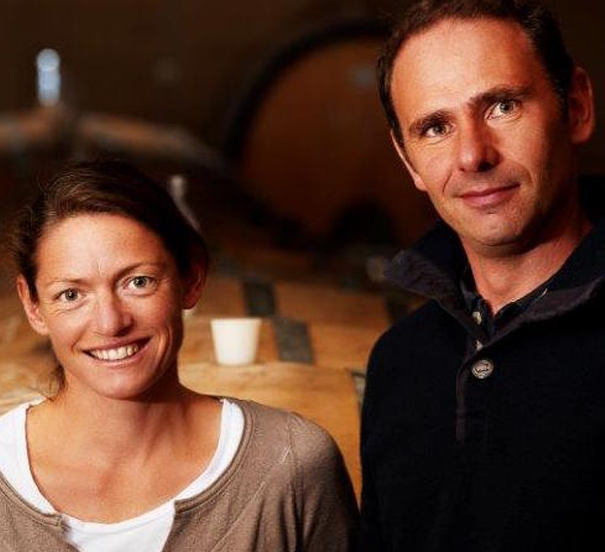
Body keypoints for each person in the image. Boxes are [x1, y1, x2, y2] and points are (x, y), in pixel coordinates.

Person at [0, 160, 358, 551]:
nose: (110, 322)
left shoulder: (290, 462)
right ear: (33, 305)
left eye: (138, 282)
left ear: (191, 279)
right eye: (71, 294)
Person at [359, 0, 602, 550]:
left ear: (577, 107)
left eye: (502, 106)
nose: (472, 155)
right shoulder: (399, 361)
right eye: (435, 127)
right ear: (408, 159)